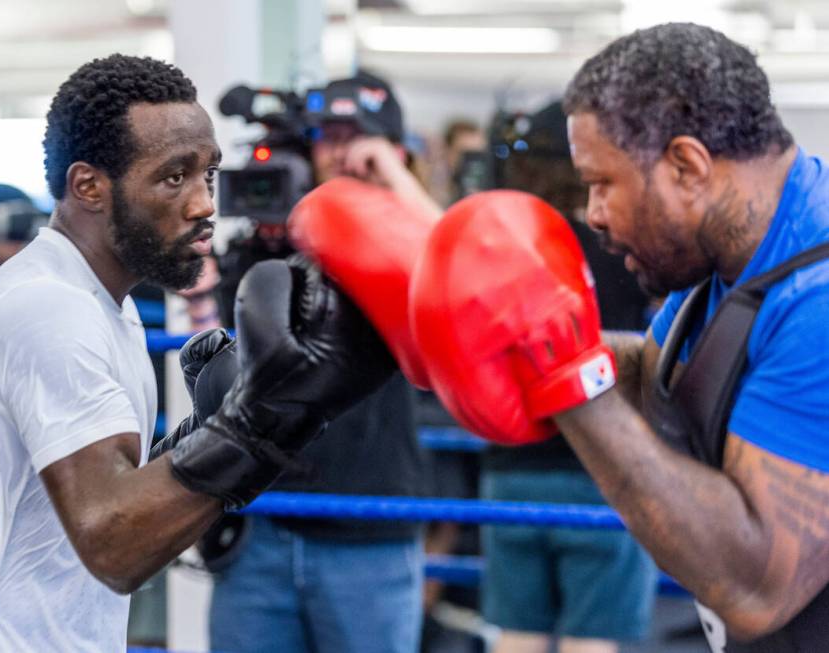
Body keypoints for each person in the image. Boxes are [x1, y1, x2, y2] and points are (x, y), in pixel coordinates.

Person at [0, 54, 391, 652]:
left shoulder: (98, 303)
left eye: (209, 175)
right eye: (174, 177)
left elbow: (104, 501)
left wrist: (210, 431)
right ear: (89, 186)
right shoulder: (49, 308)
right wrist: (258, 423)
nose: (204, 204)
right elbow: (114, 545)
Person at [398, 22, 829, 653]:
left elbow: (755, 588)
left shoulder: (816, 300)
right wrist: (499, 351)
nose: (592, 212)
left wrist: (565, 380)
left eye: (602, 184)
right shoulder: (725, 263)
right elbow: (655, 372)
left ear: (687, 165)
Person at [207, 71, 441, 653]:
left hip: (368, 526)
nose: (338, 152)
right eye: (326, 137)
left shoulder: (408, 242)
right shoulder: (276, 236)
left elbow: (460, 272)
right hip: (263, 522)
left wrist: (387, 176)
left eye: (353, 136)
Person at [479, 100, 655, 653]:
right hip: (603, 464)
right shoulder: (625, 244)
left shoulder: (501, 247)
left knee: (516, 636)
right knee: (592, 641)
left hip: (512, 465)